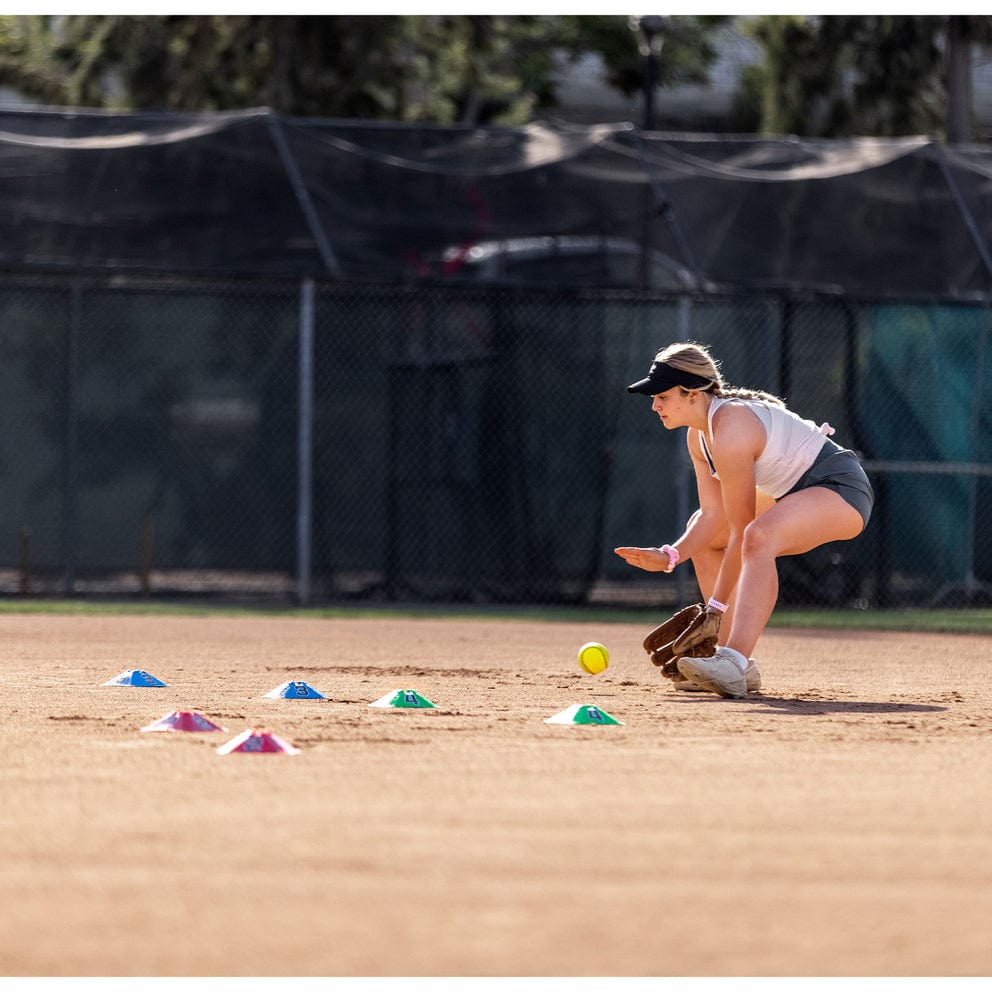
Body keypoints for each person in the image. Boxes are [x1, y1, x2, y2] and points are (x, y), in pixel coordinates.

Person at [614, 341, 874, 698]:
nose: (655, 404)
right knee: (710, 538)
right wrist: (670, 556)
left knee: (757, 536)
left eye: (662, 394)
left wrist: (714, 609)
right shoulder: (699, 437)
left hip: (839, 487)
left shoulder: (731, 427)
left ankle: (732, 660)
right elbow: (712, 516)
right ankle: (731, 663)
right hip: (792, 492)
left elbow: (741, 530)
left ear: (692, 393)